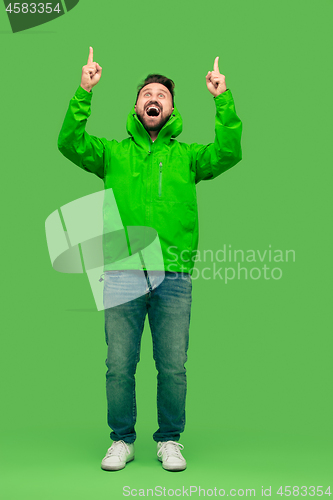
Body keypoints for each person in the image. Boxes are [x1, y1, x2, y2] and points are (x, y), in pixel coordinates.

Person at [58, 47, 242, 472]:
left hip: (174, 274)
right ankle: (122, 440)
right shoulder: (111, 153)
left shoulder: (188, 157)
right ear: (137, 107)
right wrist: (84, 90)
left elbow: (228, 153)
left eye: (161, 93)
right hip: (121, 273)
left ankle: (170, 439)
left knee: (173, 366)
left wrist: (222, 98)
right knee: (119, 364)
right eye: (146, 94)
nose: (153, 97)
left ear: (172, 108)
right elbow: (69, 142)